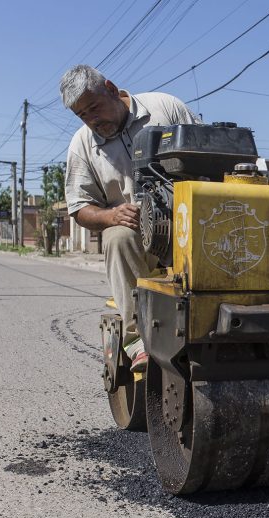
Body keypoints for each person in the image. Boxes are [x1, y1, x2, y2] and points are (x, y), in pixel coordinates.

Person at [60, 64, 197, 370]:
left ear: (111, 88)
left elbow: (207, 155)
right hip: (137, 234)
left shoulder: (166, 108)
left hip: (188, 220)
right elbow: (79, 207)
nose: (93, 120)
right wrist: (111, 215)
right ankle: (139, 343)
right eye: (83, 115)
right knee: (118, 237)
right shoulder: (82, 145)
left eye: (94, 107)